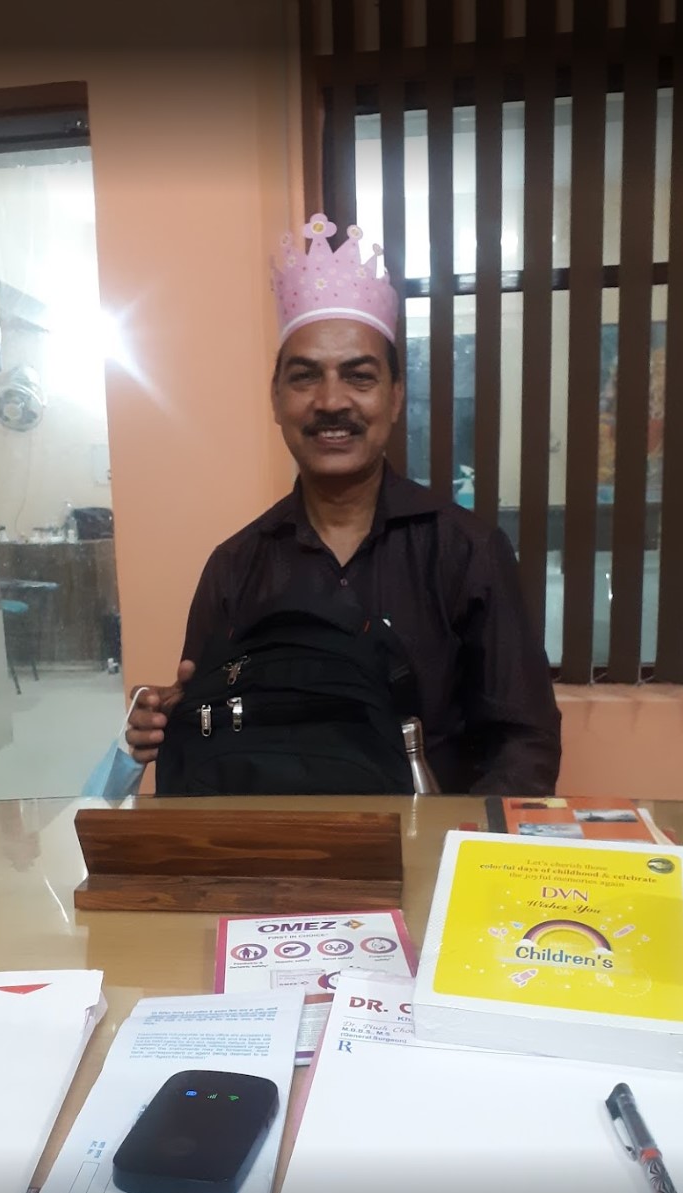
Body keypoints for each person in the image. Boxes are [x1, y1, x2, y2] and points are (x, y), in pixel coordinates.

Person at [127, 214, 561, 794]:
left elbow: (524, 744)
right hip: (274, 844)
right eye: (305, 377)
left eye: (359, 377)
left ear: (396, 397)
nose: (331, 401)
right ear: (276, 399)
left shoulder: (465, 552)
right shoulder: (235, 566)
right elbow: (213, 725)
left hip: (429, 842)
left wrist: (452, 839)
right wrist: (168, 719)